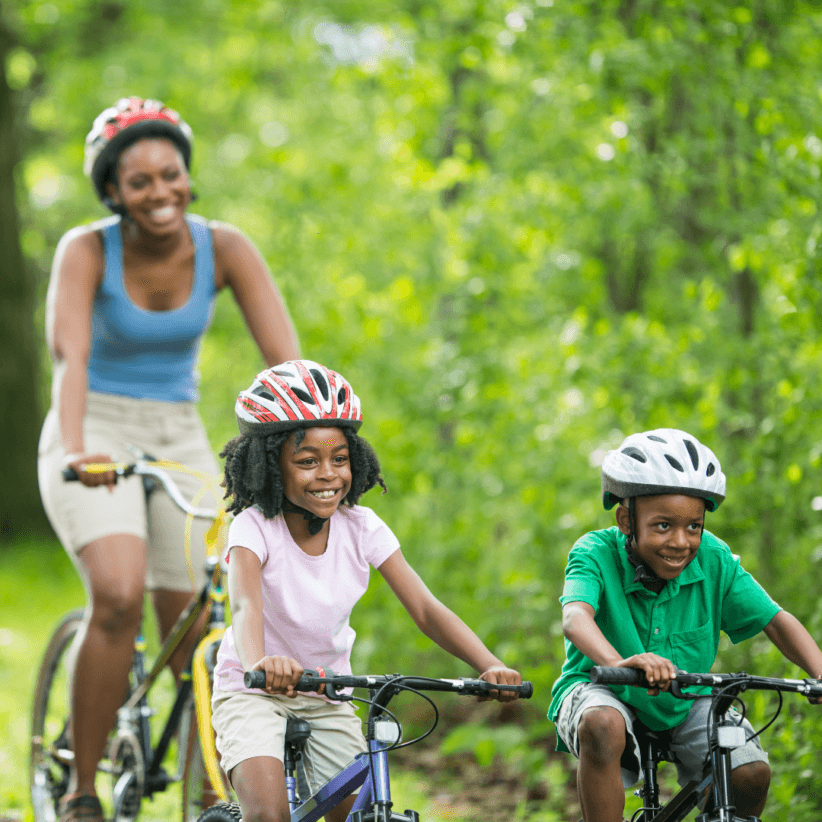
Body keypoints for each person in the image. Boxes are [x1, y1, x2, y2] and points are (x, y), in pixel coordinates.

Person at [37, 97, 300, 822]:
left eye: (171, 174)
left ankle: (210, 795)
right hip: (91, 423)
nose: (160, 192)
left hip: (179, 429)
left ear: (187, 175)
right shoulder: (86, 249)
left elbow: (287, 362)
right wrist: (80, 441)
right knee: (119, 594)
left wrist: (313, 446)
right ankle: (81, 789)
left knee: (198, 621)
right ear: (113, 192)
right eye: (139, 181)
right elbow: (70, 355)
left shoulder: (226, 248)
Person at [211, 360, 522, 822]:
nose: (328, 474)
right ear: (269, 465)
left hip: (327, 692)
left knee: (352, 814)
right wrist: (260, 664)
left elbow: (425, 609)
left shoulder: (361, 527)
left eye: (339, 459)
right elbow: (245, 605)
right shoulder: (252, 528)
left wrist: (488, 664)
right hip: (253, 689)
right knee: (268, 816)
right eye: (307, 461)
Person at [548, 428, 822, 822]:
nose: (681, 541)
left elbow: (775, 620)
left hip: (684, 698)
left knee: (749, 770)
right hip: (600, 688)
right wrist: (622, 661)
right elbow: (575, 618)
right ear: (626, 519)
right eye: (663, 526)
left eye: (693, 526)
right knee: (602, 724)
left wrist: (817, 670)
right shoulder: (593, 552)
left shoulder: (714, 559)